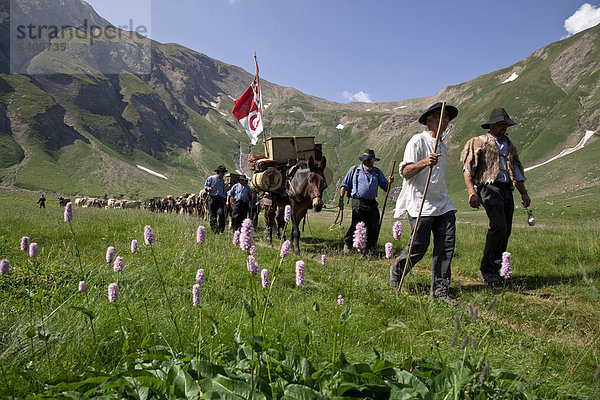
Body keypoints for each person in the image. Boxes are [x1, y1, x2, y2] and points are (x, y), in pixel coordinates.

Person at [390, 102, 458, 305]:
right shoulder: (418, 141)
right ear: (430, 119)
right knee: (419, 245)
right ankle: (398, 271)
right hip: (421, 202)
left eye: (447, 118)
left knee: (446, 246)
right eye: (441, 117)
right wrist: (424, 162)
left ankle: (440, 290)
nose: (445, 121)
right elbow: (405, 172)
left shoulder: (443, 146)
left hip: (443, 203)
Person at [461, 107, 530, 286]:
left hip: (507, 189)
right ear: (492, 125)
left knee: (506, 229)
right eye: (500, 124)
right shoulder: (479, 142)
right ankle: (486, 269)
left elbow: (516, 169)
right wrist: (472, 192)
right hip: (488, 187)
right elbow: (468, 170)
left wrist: (523, 192)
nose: (504, 128)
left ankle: (498, 269)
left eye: (505, 125)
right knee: (498, 225)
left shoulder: (509, 145)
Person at [339, 149, 394, 254]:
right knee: (357, 225)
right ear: (364, 161)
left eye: (372, 161)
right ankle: (348, 243)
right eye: (369, 161)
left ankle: (368, 249)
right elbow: (344, 185)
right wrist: (341, 200)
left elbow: (385, 186)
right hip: (358, 201)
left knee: (374, 225)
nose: (371, 163)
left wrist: (389, 182)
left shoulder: (376, 172)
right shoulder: (355, 170)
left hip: (372, 202)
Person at [204, 165, 228, 233]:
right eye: (223, 172)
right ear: (219, 172)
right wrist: (208, 188)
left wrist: (224, 199)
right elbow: (205, 186)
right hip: (212, 198)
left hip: (220, 198)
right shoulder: (211, 178)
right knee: (212, 214)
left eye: (224, 172)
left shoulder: (222, 181)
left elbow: (223, 190)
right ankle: (214, 230)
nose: (223, 174)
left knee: (221, 213)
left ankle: (221, 229)